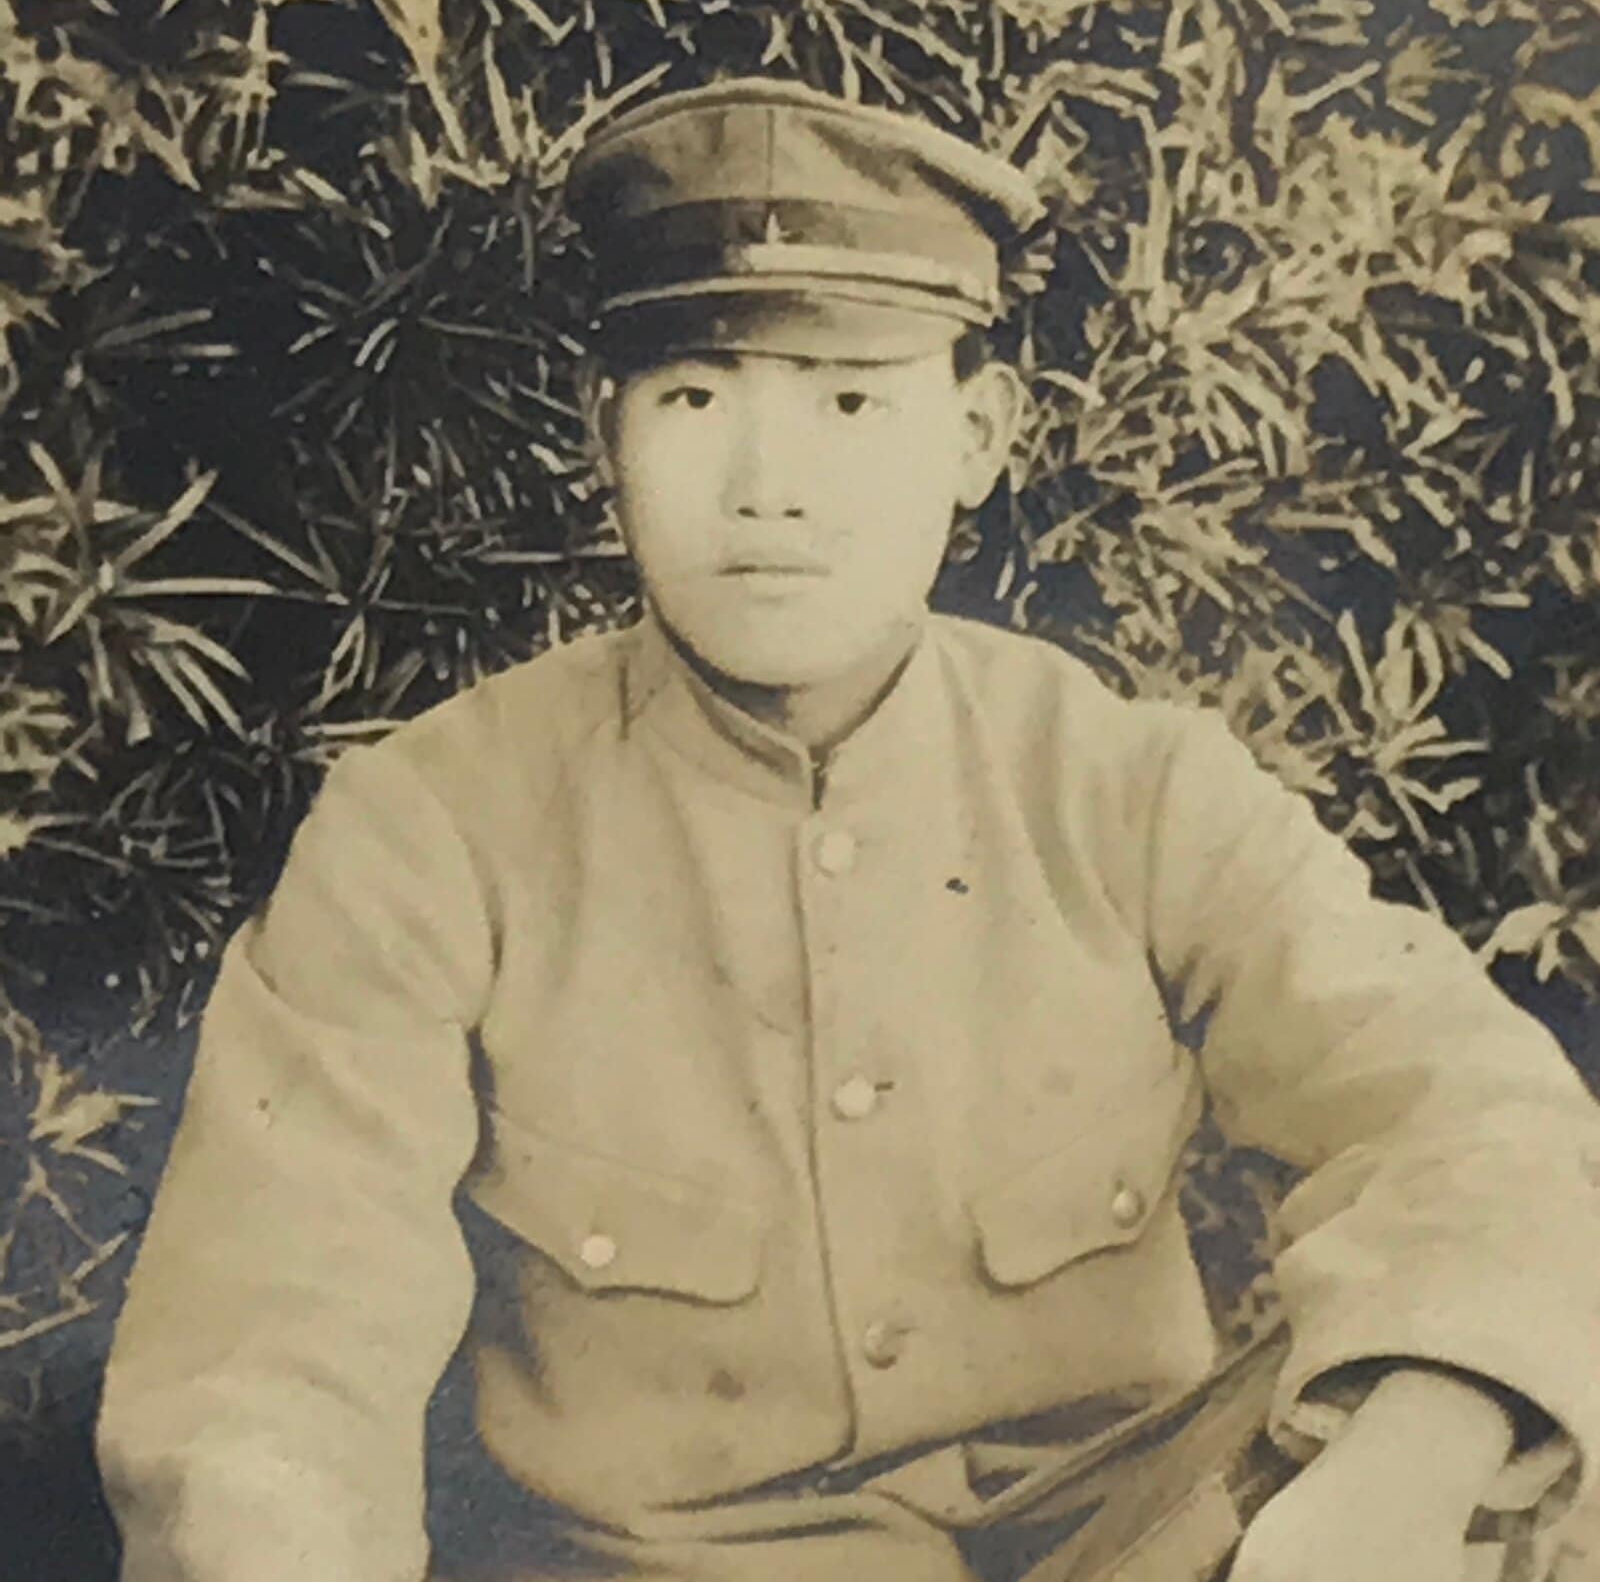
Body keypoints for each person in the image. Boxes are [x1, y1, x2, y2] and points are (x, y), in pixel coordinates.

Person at [96, 77, 1600, 1582]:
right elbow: (264, 1371)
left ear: (977, 434)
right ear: (598, 429)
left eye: (851, 400)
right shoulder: (429, 834)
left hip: (1133, 1546)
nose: (770, 489)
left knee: (1509, 1458)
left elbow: (1464, 1114)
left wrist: (1406, 1470)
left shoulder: (1127, 786)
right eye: (694, 398)